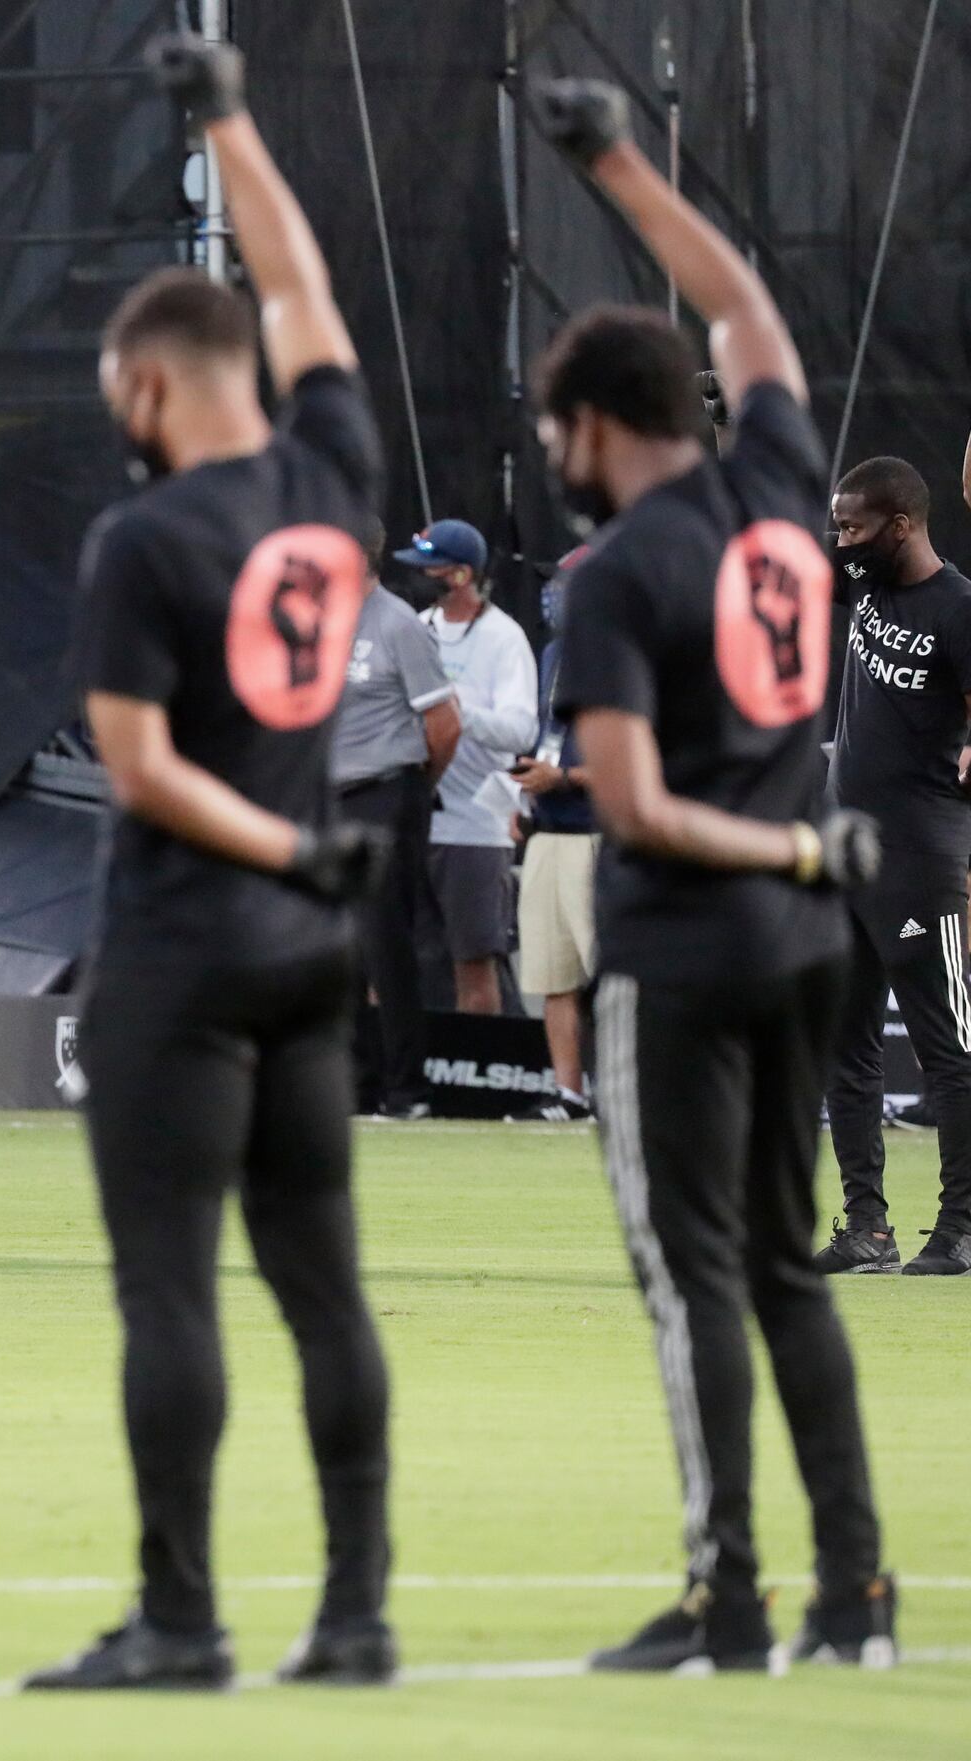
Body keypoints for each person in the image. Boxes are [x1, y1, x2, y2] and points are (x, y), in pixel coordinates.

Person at [23, 37, 395, 1692]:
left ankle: (180, 1619)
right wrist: (230, 115)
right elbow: (302, 279)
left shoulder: (147, 537)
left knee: (170, 1290)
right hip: (314, 952)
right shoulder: (335, 481)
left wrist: (283, 843)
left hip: (185, 945)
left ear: (154, 384)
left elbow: (143, 766)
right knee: (325, 1287)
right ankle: (358, 1613)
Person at [536, 79, 896, 1671]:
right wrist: (616, 160)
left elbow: (636, 805)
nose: (556, 453)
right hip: (807, 944)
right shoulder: (780, 499)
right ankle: (857, 1595)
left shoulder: (616, 577)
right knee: (787, 1268)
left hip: (689, 947)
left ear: (604, 426)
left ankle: (724, 1597)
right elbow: (743, 301)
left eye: (560, 428)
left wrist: (797, 833)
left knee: (694, 1285)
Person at [814, 456, 971, 1276]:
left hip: (920, 858)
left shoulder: (959, 607)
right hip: (847, 855)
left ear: (901, 525)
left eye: (853, 527)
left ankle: (962, 1225)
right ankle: (867, 1227)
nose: (841, 540)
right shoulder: (865, 585)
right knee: (847, 1046)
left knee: (949, 1049)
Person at [332, 528, 460, 1118]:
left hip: (386, 793)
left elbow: (444, 722)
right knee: (339, 952)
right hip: (330, 799)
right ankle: (355, 1089)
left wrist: (413, 790)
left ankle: (407, 1092)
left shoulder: (396, 622)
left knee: (386, 947)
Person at [396, 519, 536, 1014]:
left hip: (476, 828)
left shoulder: (504, 637)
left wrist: (456, 712)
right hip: (416, 821)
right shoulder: (414, 628)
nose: (416, 576)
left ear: (459, 575)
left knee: (474, 966)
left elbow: (522, 730)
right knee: (401, 962)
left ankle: (480, 1073)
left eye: (427, 567)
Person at [505, 549, 599, 1122]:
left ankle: (627, 1092)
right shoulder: (553, 652)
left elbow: (641, 763)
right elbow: (549, 735)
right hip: (549, 828)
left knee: (609, 975)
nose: (554, 594)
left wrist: (563, 777)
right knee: (552, 972)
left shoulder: (625, 656)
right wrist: (526, 792)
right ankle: (570, 1093)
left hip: (597, 831)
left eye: (567, 584)